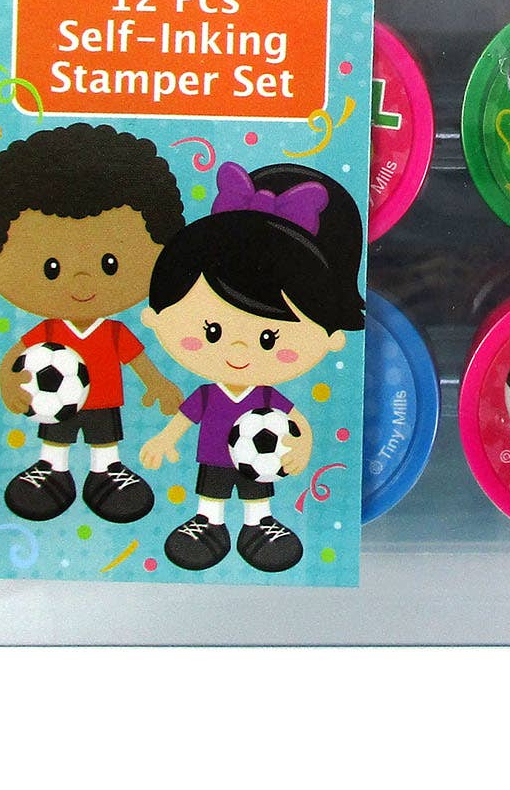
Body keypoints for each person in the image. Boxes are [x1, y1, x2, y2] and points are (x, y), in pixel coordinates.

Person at [138, 162, 367, 572]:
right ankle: (207, 524)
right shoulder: (208, 394)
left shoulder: (266, 397)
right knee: (211, 496)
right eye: (211, 331)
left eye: (268, 339)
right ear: (157, 316)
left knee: (256, 495)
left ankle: (259, 525)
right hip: (213, 456)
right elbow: (185, 418)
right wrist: (164, 439)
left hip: (259, 462)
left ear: (331, 337)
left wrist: (303, 445)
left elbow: (297, 422)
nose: (239, 349)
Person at [0, 124, 187, 523]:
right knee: (57, 439)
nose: (83, 283)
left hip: (104, 401)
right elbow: (16, 356)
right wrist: (7, 381)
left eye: (109, 264)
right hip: (56, 405)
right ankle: (51, 470)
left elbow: (137, 361)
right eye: (51, 268)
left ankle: (108, 473)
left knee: (105, 443)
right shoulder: (49, 332)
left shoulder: (113, 332)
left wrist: (158, 384)